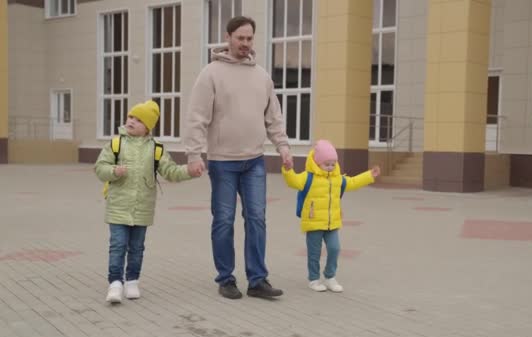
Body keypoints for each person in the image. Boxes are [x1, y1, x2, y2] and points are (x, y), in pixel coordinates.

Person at [183, 16, 292, 299]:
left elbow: (274, 116)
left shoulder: (262, 76)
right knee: (224, 220)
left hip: (254, 161)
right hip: (223, 162)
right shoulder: (210, 73)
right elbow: (197, 117)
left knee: (257, 219)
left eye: (249, 39)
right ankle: (226, 278)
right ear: (228, 37)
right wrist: (194, 154)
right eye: (240, 38)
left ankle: (258, 280)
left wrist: (283, 145)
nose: (245, 43)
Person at [95, 100, 199, 303]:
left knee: (137, 247)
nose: (132, 121)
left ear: (147, 127)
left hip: (143, 209)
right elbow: (100, 168)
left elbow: (170, 172)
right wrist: (113, 171)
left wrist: (189, 171)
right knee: (117, 245)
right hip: (118, 206)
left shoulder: (156, 149)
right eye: (131, 117)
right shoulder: (115, 144)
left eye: (139, 119)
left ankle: (132, 281)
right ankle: (115, 283)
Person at [282, 140, 381, 292]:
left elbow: (353, 182)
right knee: (314, 253)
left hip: (332, 222)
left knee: (335, 249)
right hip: (314, 222)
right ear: (317, 162)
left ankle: (330, 277)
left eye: (333, 164)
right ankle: (314, 279)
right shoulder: (307, 177)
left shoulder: (337, 179)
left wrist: (369, 175)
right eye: (327, 164)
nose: (330, 167)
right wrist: (288, 170)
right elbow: (292, 181)